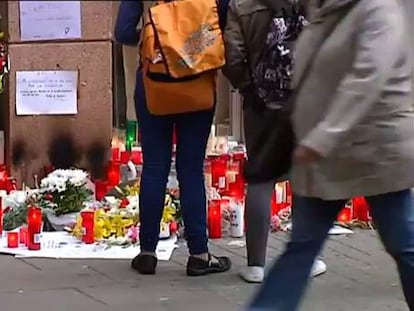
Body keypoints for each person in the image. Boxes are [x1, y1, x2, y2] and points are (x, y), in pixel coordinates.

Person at [247, 0, 414, 310]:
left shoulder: (377, 10)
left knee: (404, 244)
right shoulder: (328, 10)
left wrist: (323, 137)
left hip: (375, 152)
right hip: (327, 157)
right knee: (301, 247)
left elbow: (366, 80)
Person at [114, 0, 232, 277]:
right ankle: (199, 255)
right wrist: (191, 45)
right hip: (197, 79)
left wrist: (156, 39)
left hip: (154, 81)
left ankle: (147, 253)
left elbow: (122, 32)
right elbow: (224, 23)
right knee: (190, 169)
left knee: (154, 168)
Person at [222, 0, 327, 283]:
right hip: (305, 99)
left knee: (261, 178)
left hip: (262, 103)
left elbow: (232, 55)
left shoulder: (241, 4)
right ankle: (308, 257)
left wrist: (248, 88)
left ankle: (256, 265)